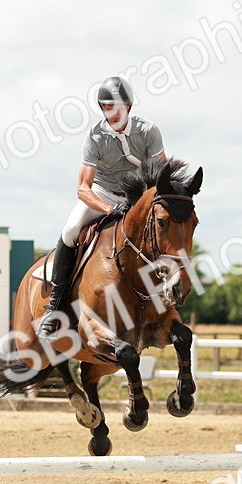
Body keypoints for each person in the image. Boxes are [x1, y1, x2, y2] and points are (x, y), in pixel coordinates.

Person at [37, 75, 166, 339]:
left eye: (117, 107)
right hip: (102, 194)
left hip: (137, 197)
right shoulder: (95, 137)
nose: (112, 113)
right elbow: (82, 188)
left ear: (128, 107)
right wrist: (108, 209)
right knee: (71, 230)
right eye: (106, 107)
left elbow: (162, 174)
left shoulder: (148, 130)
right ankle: (55, 307)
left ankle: (166, 290)